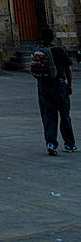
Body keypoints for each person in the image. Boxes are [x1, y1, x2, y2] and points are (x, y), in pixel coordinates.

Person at [34, 26, 77, 155]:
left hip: (42, 85)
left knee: (48, 114)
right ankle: (69, 144)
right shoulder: (59, 50)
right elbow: (68, 69)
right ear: (52, 38)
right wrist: (69, 85)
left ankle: (50, 143)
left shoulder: (37, 50)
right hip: (58, 85)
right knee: (64, 115)